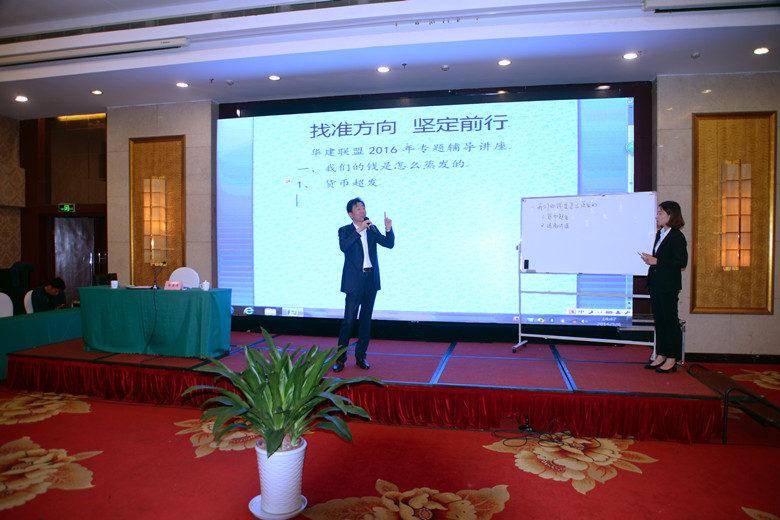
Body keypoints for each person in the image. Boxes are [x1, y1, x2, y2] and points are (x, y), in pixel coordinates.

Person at [335, 198, 394, 372]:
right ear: (351, 214)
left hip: (370, 281)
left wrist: (388, 229)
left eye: (363, 207)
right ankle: (340, 358)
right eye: (358, 208)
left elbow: (389, 244)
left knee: (366, 321)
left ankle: (361, 356)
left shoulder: (371, 228)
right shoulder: (345, 230)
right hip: (354, 282)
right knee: (348, 321)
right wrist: (358, 231)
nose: (362, 210)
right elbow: (344, 247)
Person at [639, 201, 688, 373]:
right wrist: (652, 260)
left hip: (668, 285)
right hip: (656, 283)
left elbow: (681, 261)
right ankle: (661, 354)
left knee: (670, 321)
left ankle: (672, 358)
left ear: (670, 215)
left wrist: (657, 261)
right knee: (659, 321)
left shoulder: (676, 236)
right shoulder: (661, 233)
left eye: (660, 213)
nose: (657, 216)